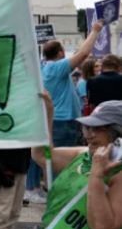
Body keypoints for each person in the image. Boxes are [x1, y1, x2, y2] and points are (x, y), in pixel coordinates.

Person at [25, 99, 122, 229]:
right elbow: (42, 156)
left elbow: (103, 226)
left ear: (118, 136)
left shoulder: (118, 173)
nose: (88, 135)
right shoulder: (82, 155)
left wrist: (96, 176)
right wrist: (46, 114)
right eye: (87, 128)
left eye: (97, 129)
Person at [40, 19, 104, 148]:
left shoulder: (44, 67)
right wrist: (95, 30)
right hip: (63, 122)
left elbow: (79, 54)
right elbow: (83, 53)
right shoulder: (56, 67)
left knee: (51, 159)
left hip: (56, 120)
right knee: (62, 162)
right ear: (61, 53)